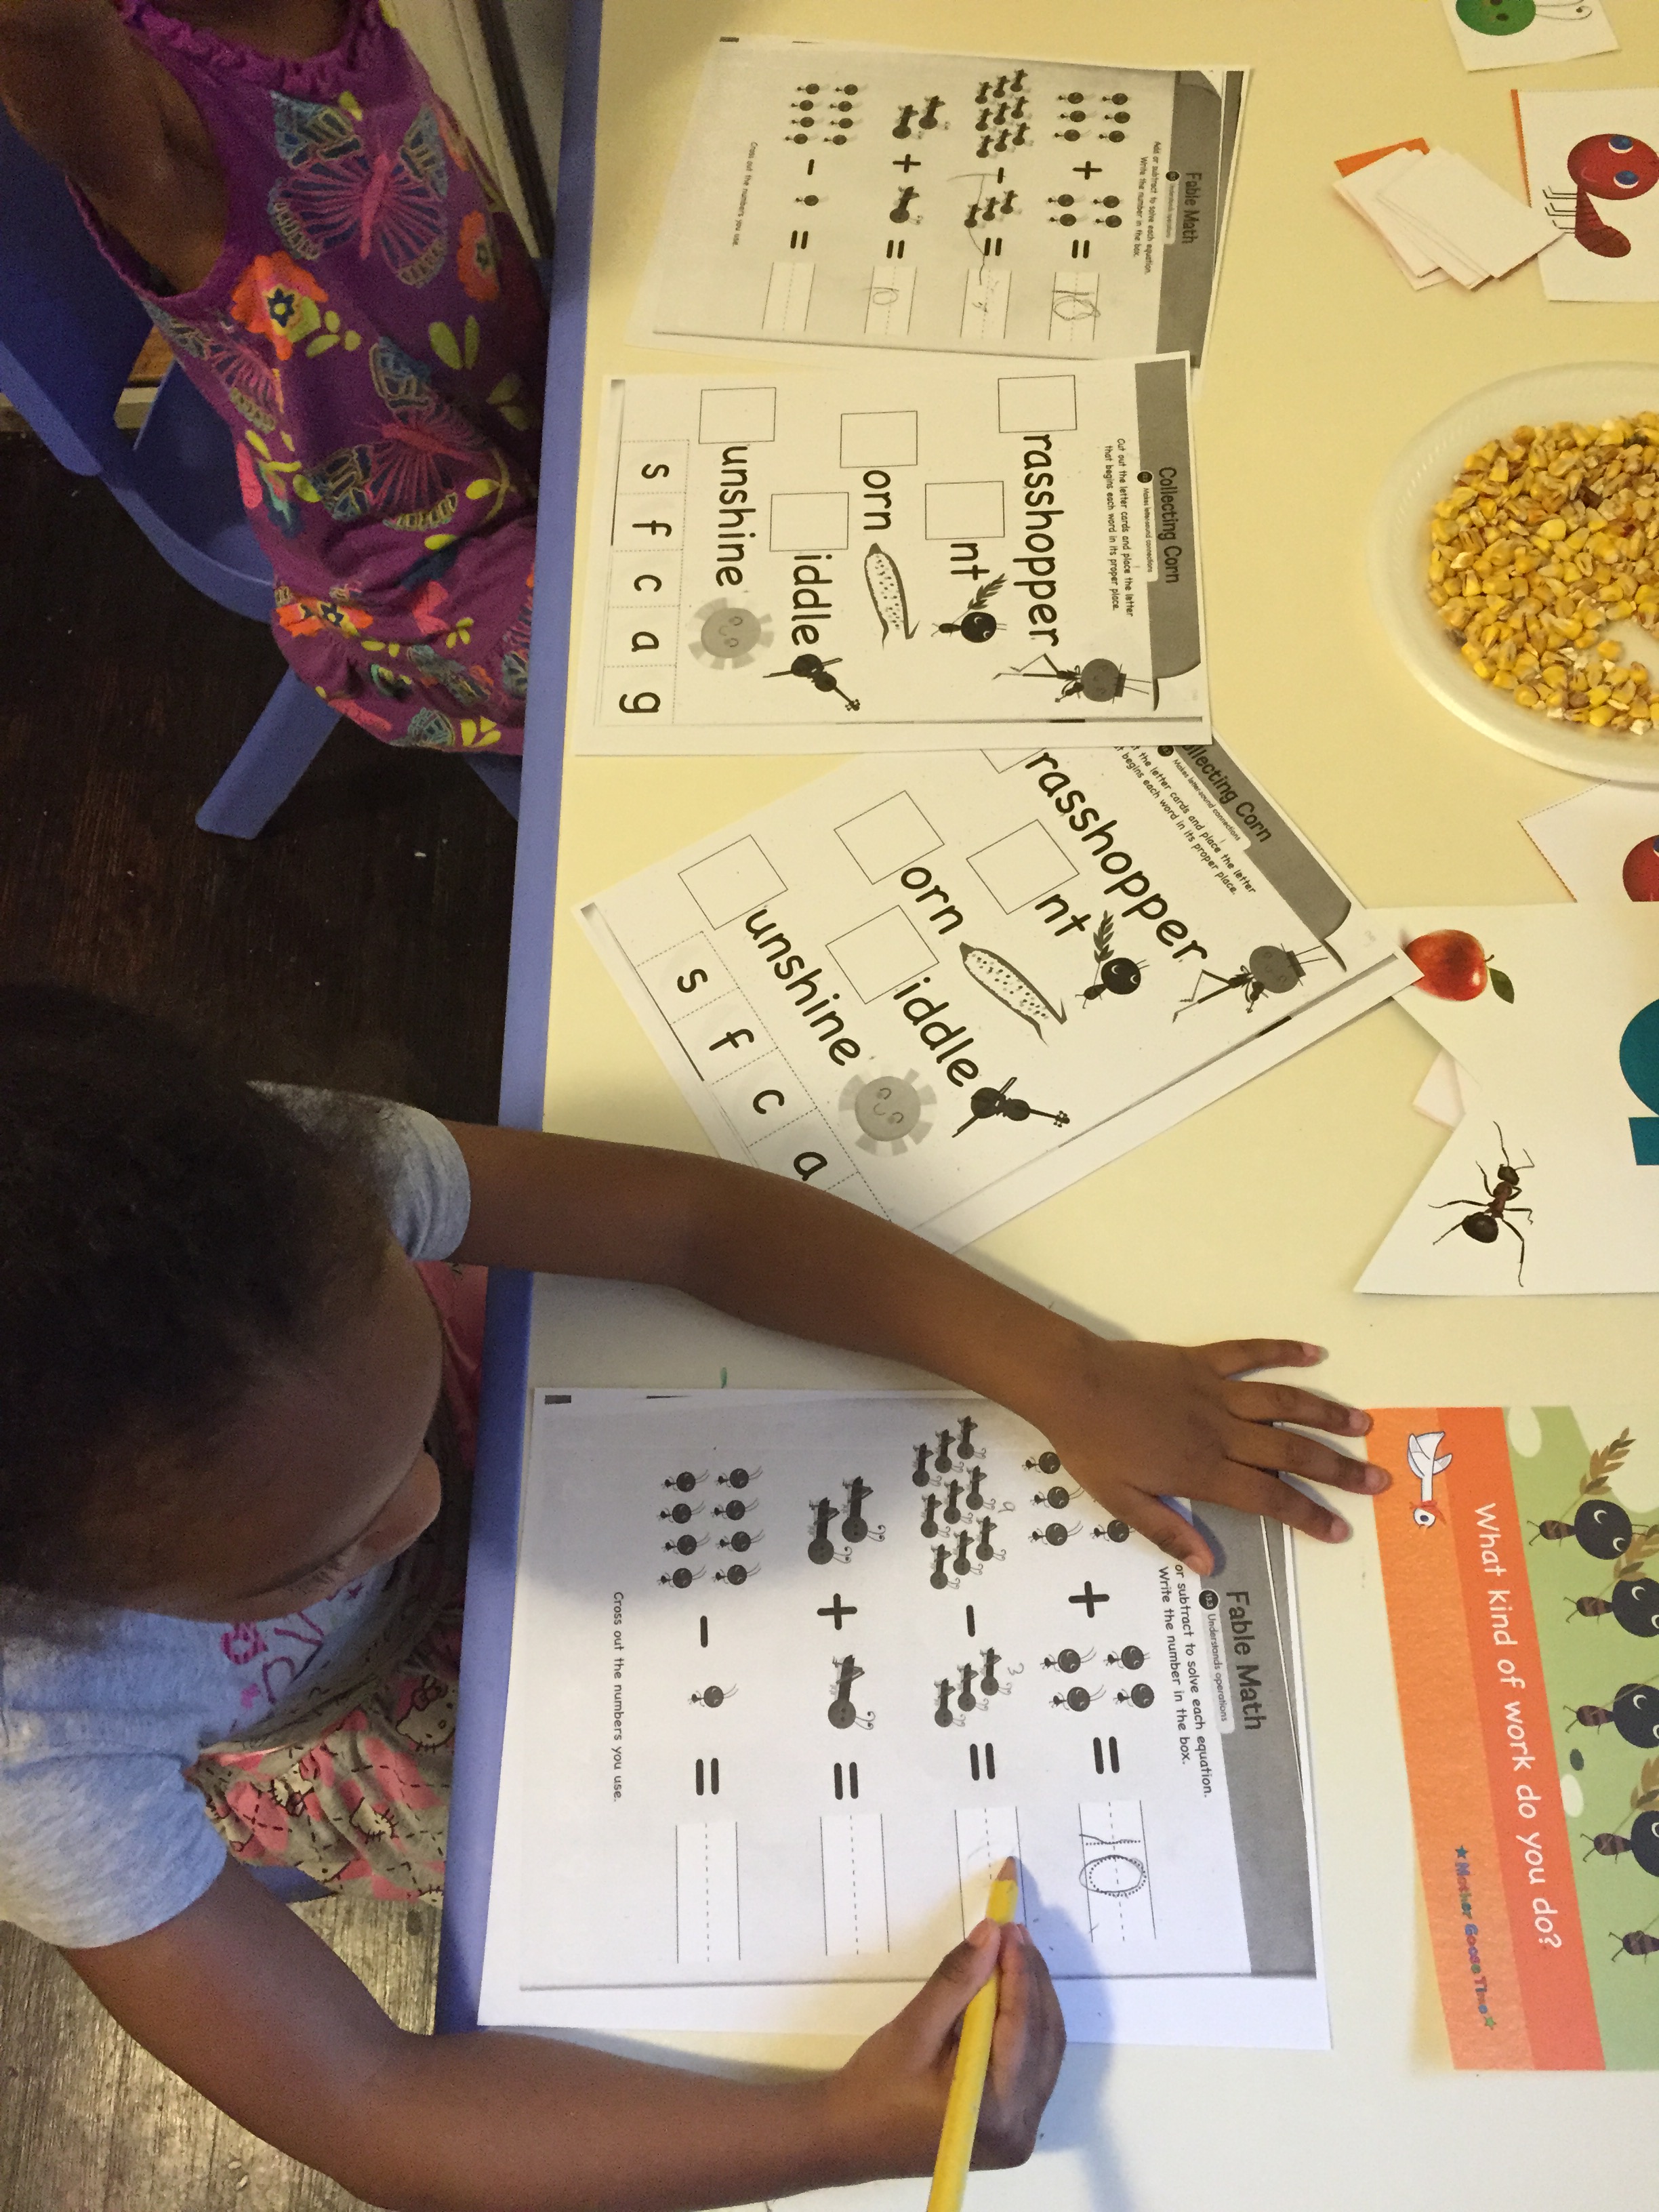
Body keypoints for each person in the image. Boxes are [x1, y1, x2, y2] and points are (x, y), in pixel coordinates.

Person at [0, 985, 1387, 2207]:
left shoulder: (256, 1198)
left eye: (404, 1418)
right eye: (312, 1553)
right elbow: (371, 2103)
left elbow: (688, 1219)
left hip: (564, 1446)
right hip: (366, 1725)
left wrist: (1063, 1371)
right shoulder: (38, 1743)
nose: (420, 1508)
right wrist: (831, 2129)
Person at [0, 1, 545, 754]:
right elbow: (44, 29)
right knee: (668, 644)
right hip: (414, 574)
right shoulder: (141, 104)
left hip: (533, 401)